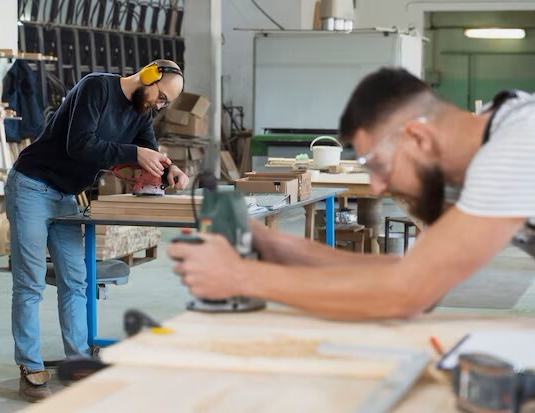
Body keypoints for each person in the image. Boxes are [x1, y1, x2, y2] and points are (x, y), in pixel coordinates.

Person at [167, 67, 535, 321]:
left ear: (418, 137)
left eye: (376, 164)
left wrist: (240, 278)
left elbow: (408, 293)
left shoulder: (514, 146)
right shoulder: (497, 131)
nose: (375, 186)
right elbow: (414, 274)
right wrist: (280, 248)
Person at [6, 59, 189, 402]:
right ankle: (30, 368)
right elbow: (80, 143)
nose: (159, 105)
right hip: (31, 186)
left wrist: (170, 170)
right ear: (149, 76)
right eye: (161, 97)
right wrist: (133, 152)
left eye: (166, 103)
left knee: (76, 280)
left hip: (68, 196)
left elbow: (150, 152)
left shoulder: (141, 112)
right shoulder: (96, 87)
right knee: (29, 281)